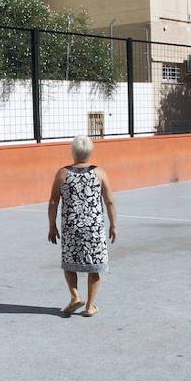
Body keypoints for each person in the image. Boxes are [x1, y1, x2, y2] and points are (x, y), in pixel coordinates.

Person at [48, 136, 117, 317]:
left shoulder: (62, 173)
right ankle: (90, 306)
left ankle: (75, 296)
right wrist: (113, 225)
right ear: (90, 151)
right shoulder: (99, 173)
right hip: (93, 228)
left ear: (73, 151)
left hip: (71, 228)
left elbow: (53, 201)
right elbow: (109, 202)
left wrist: (52, 226)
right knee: (95, 266)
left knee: (69, 263)